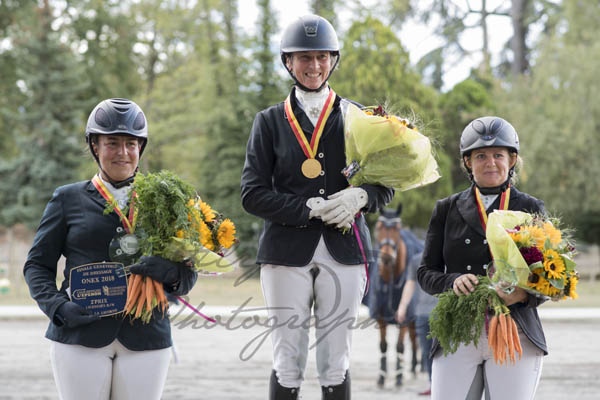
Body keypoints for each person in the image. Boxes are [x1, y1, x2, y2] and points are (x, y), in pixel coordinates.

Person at [241, 14, 393, 400]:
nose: (314, 66)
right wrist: (306, 208)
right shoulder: (269, 122)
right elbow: (252, 193)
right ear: (288, 62)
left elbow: (386, 183)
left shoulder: (359, 116)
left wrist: (362, 196)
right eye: (304, 58)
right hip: (284, 251)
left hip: (345, 250)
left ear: (333, 60)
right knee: (287, 358)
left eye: (322, 57)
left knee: (335, 359)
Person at [23, 98, 197, 400]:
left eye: (131, 144)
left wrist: (169, 272)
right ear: (95, 146)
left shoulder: (166, 200)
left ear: (140, 148)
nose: (123, 153)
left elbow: (187, 276)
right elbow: (37, 265)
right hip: (80, 335)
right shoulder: (66, 199)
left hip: (146, 334)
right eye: (112, 143)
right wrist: (57, 308)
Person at [417, 116, 547, 399]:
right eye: (481, 156)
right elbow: (426, 272)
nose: (490, 163)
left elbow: (549, 274)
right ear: (468, 162)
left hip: (515, 330)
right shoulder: (446, 209)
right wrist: (452, 281)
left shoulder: (531, 207)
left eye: (498, 155)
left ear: (511, 160)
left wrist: (523, 295)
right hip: (458, 330)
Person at [396, 250, 437, 396]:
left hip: (443, 313)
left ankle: (443, 386)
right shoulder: (416, 260)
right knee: (426, 352)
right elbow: (410, 283)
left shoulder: (448, 255)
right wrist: (402, 307)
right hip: (421, 314)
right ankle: (433, 385)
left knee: (444, 353)